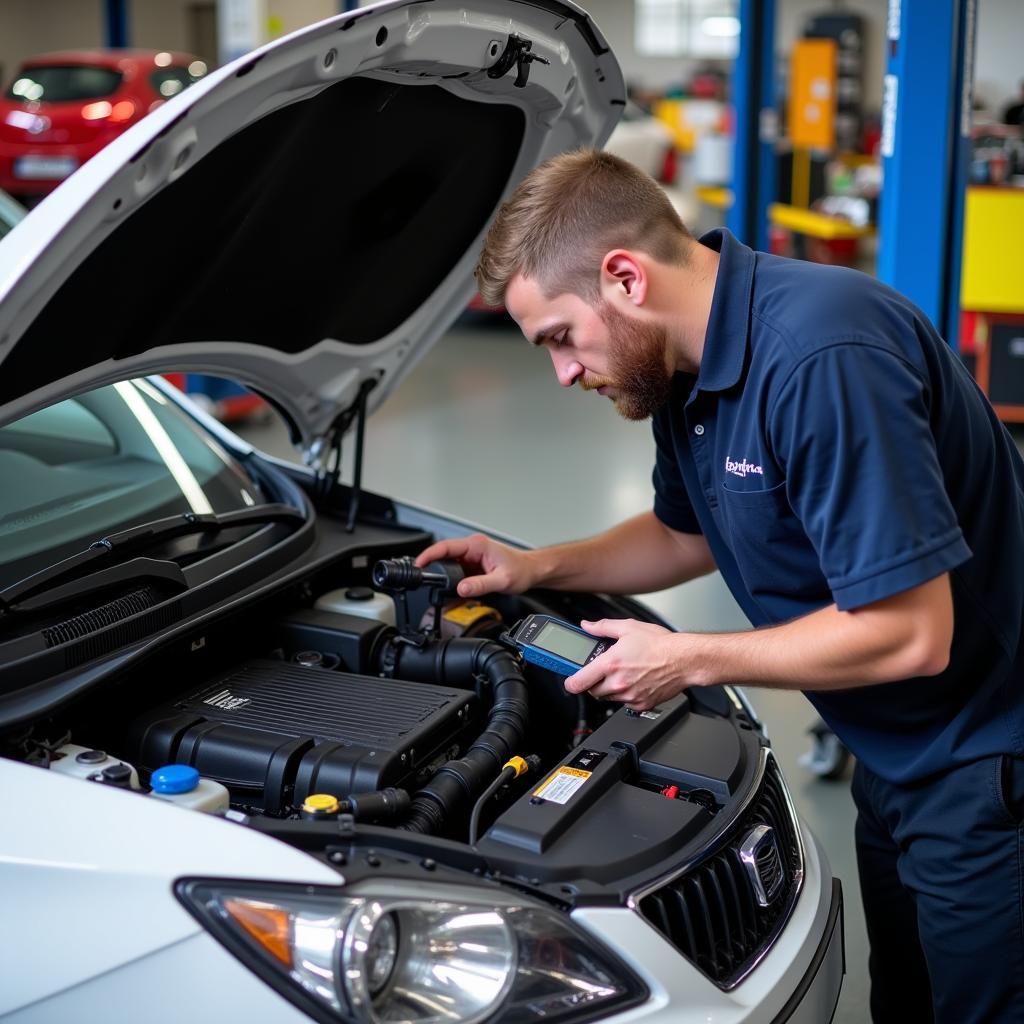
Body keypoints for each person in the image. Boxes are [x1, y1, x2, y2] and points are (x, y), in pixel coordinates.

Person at [415, 149, 1024, 1023]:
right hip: (895, 753)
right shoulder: (680, 370)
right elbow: (680, 533)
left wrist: (689, 659)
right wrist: (534, 567)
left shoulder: (822, 356)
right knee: (907, 1003)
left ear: (623, 277)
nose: (560, 372)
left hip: (986, 761)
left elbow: (911, 633)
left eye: (558, 337)